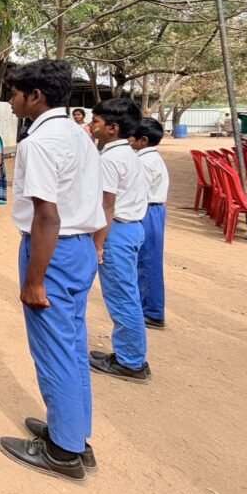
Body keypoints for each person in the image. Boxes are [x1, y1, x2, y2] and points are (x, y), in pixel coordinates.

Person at [0, 59, 105, 481]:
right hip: (78, 250)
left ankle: (62, 452)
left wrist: (35, 279)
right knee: (74, 346)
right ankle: (74, 434)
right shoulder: (79, 136)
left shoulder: (38, 143)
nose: (11, 100)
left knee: (55, 351)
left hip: (53, 252)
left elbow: (47, 217)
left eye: (15, 92)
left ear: (35, 96)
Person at [89, 98, 151, 383]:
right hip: (131, 229)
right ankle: (127, 353)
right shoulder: (128, 154)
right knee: (126, 294)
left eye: (97, 121)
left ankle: (131, 362)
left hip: (117, 233)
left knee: (122, 296)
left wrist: (98, 245)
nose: (92, 125)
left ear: (112, 128)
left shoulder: (111, 159)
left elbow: (107, 206)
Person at [130, 118, 169, 330]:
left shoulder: (145, 162)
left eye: (132, 137)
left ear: (143, 140)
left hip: (148, 209)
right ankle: (148, 307)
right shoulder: (150, 158)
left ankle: (152, 311)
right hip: (151, 209)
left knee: (147, 261)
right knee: (144, 261)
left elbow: (137, 192)